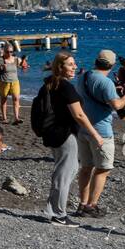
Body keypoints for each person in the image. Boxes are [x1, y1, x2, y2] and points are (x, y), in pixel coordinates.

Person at [37, 51, 106, 226]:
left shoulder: (50, 83)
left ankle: (53, 210)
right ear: (60, 67)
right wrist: (95, 134)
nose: (75, 66)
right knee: (65, 173)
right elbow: (79, 115)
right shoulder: (65, 86)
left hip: (52, 133)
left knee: (65, 171)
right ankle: (59, 215)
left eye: (74, 63)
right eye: (70, 64)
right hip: (64, 135)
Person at [73, 49, 125, 218]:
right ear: (112, 65)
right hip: (101, 131)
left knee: (86, 168)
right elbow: (116, 105)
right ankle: (91, 206)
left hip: (84, 128)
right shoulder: (106, 82)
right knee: (102, 169)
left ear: (96, 61)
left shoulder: (83, 77)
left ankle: (82, 204)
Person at [0, 44, 23, 125]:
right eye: (7, 52)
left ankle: (16, 118)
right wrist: (1, 68)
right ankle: (4, 118)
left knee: (16, 99)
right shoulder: (0, 60)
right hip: (3, 82)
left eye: (11, 52)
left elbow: (22, 66)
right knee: (4, 100)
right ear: (4, 51)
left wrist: (24, 65)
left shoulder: (16, 59)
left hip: (15, 82)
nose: (9, 53)